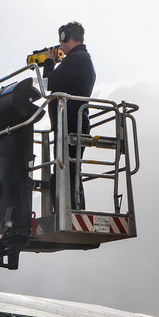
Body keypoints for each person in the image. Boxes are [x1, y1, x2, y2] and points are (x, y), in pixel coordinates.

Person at [42, 21, 95, 210]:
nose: (60, 43)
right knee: (70, 170)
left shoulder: (76, 59)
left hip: (69, 123)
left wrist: (49, 62)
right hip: (73, 121)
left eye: (61, 38)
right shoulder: (81, 59)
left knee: (65, 170)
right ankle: (73, 211)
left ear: (66, 37)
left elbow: (49, 83)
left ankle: (68, 212)